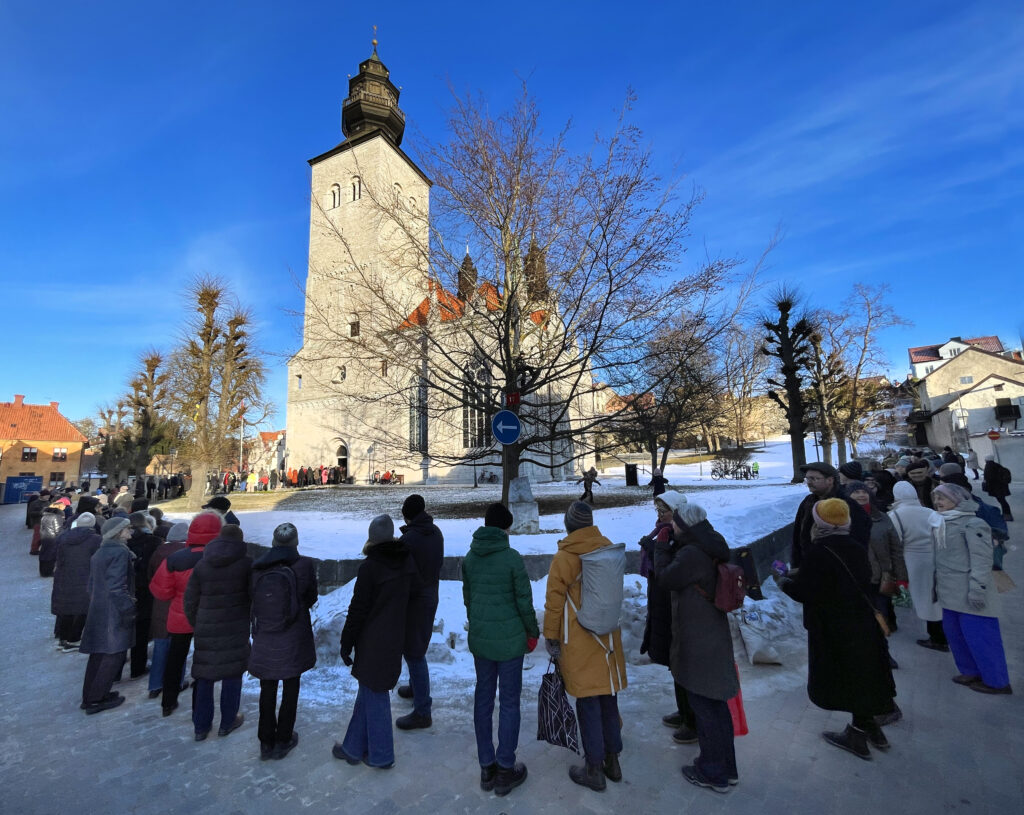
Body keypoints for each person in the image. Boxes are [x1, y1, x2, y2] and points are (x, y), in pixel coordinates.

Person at [775, 498, 896, 759]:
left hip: (834, 626)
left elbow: (808, 592)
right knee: (863, 674)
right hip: (862, 622)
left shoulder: (820, 551)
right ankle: (869, 726)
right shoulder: (853, 545)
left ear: (818, 524)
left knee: (845, 677)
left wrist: (784, 583)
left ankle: (858, 735)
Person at [654, 502, 739, 793]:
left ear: (685, 525)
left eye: (676, 523)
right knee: (715, 704)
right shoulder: (710, 542)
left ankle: (713, 771)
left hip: (698, 636)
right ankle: (727, 767)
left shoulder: (692, 553)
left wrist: (662, 548)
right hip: (711, 632)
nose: (672, 526)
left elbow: (665, 578)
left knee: (704, 706)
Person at [544, 501, 627, 792]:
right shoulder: (606, 548)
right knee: (607, 697)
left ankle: (594, 768)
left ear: (568, 525)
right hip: (607, 637)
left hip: (580, 638)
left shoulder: (565, 557)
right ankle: (612, 760)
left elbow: (554, 603)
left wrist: (550, 637)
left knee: (588, 702)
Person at [462, 502, 539, 796]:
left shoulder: (470, 558)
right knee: (508, 703)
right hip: (509, 643)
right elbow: (524, 601)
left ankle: (486, 766)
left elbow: (469, 599)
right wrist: (532, 632)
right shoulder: (511, 559)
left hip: (482, 641)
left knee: (483, 699)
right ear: (505, 528)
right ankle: (505, 768)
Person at [333, 515, 419, 769]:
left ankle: (382, 755)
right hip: (394, 636)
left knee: (376, 693)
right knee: (369, 690)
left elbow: (358, 609)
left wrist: (346, 641)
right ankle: (353, 747)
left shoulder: (370, 567)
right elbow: (414, 598)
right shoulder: (406, 561)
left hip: (373, 640)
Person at [931, 484, 1011, 694]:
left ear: (958, 500)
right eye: (936, 498)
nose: (938, 503)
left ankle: (997, 681)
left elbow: (982, 559)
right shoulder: (940, 521)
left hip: (968, 587)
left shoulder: (973, 523)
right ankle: (970, 670)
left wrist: (978, 588)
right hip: (949, 589)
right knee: (955, 634)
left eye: (943, 499)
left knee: (981, 637)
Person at [249, 522, 318, 760]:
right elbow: (311, 597)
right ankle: (284, 737)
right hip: (293, 633)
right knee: (291, 686)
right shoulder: (305, 565)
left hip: (265, 634)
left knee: (267, 688)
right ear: (295, 542)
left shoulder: (257, 568)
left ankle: (265, 741)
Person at [637, 490, 697, 743]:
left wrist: (657, 547)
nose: (660, 515)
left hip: (678, 607)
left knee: (685, 664)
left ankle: (693, 721)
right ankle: (684, 712)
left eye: (664, 511)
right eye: (657, 511)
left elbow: (671, 570)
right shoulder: (663, 533)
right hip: (663, 604)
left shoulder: (680, 536)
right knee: (675, 662)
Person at [149, 511, 223, 717]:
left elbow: (160, 591)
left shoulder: (175, 558)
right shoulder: (218, 559)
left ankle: (168, 701)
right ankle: (200, 706)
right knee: (204, 661)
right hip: (208, 617)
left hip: (180, 615)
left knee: (176, 658)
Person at [183, 524, 251, 741]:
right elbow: (253, 596)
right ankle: (228, 720)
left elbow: (190, 599)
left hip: (206, 627)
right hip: (234, 627)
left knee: (204, 676)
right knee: (232, 674)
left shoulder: (203, 564)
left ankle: (201, 726)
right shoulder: (246, 565)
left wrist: (198, 622)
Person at [395, 494, 444, 731]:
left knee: (414, 652)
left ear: (407, 515)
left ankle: (423, 710)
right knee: (416, 646)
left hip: (415, 599)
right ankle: (416, 688)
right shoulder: (435, 533)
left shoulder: (410, 539)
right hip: (431, 593)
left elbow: (403, 572)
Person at [78, 517, 137, 714]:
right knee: (113, 655)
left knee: (98, 654)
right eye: (127, 529)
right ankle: (96, 699)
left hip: (99, 608)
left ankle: (91, 696)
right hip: (114, 612)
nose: (130, 532)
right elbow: (117, 586)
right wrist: (129, 608)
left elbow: (91, 585)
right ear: (118, 532)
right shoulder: (120, 551)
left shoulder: (102, 551)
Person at [888, 482, 947, 651]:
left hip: (911, 559)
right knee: (933, 595)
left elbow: (895, 541)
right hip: (934, 557)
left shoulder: (896, 515)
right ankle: (941, 633)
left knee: (923, 597)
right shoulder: (930, 511)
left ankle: (937, 638)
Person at [845, 481, 906, 635]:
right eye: (856, 492)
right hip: (856, 576)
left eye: (864, 492)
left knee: (881, 614)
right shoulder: (843, 519)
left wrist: (901, 576)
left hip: (882, 576)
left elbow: (896, 549)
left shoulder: (883, 517)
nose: (861, 495)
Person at [791, 463, 870, 570]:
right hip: (809, 567)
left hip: (839, 569)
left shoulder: (845, 504)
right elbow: (797, 537)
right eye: (807, 479)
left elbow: (861, 536)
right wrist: (797, 564)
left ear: (830, 480)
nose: (809, 482)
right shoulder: (807, 502)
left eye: (814, 479)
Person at [146, 522, 190, 700]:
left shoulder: (158, 552)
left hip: (161, 604)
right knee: (179, 647)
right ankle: (177, 682)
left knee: (161, 645)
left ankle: (155, 685)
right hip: (180, 604)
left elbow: (150, 576)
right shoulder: (187, 554)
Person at [51, 512, 102, 652]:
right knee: (82, 609)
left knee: (66, 608)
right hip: (85, 578)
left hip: (64, 577)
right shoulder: (96, 539)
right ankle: (73, 639)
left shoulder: (63, 537)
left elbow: (57, 556)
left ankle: (62, 638)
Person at [125, 512, 162, 678]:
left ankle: (116, 671)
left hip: (125, 588)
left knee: (123, 629)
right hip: (146, 589)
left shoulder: (124, 541)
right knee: (141, 629)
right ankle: (137, 667)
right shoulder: (154, 541)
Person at [982, 455, 1013, 521]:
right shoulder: (996, 465)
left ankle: (1007, 515)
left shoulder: (989, 466)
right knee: (1002, 500)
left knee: (1002, 501)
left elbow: (989, 477)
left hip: (997, 487)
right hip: (1001, 486)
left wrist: (986, 484)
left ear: (987, 460)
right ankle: (1006, 515)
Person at [38, 503, 65, 577]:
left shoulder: (44, 516)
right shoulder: (56, 517)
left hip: (45, 538)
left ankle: (43, 572)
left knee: (44, 554)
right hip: (53, 539)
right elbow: (58, 529)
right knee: (51, 556)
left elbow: (41, 529)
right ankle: (49, 572)